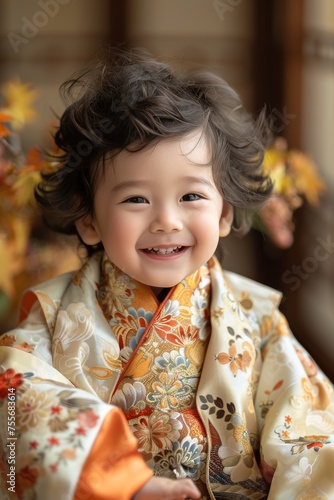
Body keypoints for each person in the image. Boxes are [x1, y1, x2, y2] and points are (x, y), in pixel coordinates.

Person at [0, 47, 333, 500]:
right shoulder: (53, 315)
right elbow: (17, 403)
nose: (166, 221)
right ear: (89, 221)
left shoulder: (258, 319)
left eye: (191, 197)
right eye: (136, 199)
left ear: (224, 215)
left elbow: (308, 432)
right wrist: (122, 483)